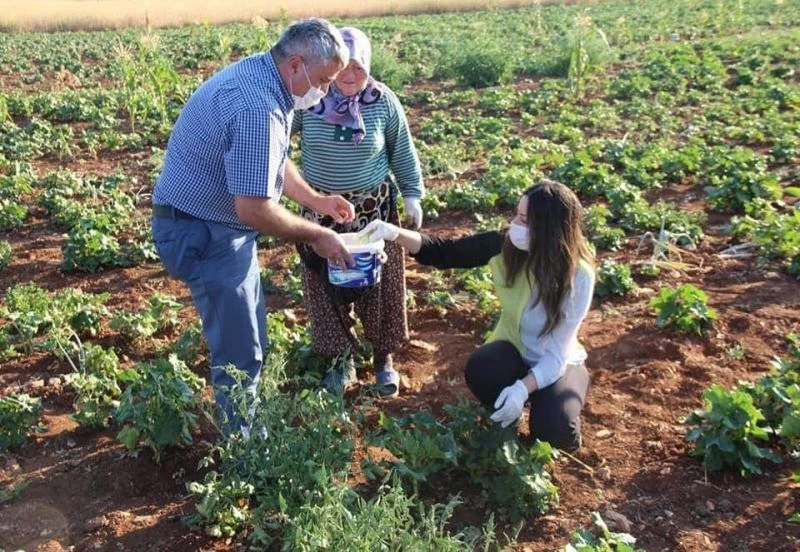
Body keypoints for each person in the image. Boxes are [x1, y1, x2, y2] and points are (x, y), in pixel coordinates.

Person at [151, 18, 357, 434]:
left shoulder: (264, 76)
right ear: (296, 64)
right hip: (205, 234)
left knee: (251, 339)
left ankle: (249, 424)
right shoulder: (256, 106)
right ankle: (246, 457)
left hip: (217, 226)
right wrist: (318, 233)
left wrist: (314, 201)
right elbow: (254, 209)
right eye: (322, 79)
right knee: (239, 356)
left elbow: (270, 160)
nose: (325, 91)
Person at [359, 179, 594, 451]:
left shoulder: (578, 276)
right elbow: (447, 251)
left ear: (550, 230)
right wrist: (392, 232)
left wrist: (522, 389)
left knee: (554, 430)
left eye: (524, 219)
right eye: (517, 215)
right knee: (482, 369)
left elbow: (557, 355)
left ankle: (555, 416)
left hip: (558, 364)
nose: (514, 224)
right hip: (515, 352)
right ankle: (512, 410)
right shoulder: (506, 246)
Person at [291, 27, 424, 398]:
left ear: (368, 66)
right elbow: (280, 137)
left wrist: (412, 194)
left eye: (358, 68)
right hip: (320, 211)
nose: (349, 76)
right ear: (330, 67)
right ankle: (340, 361)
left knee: (378, 283)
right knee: (325, 283)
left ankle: (383, 360)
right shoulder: (312, 99)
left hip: (372, 211)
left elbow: (401, 150)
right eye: (343, 68)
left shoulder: (384, 101)